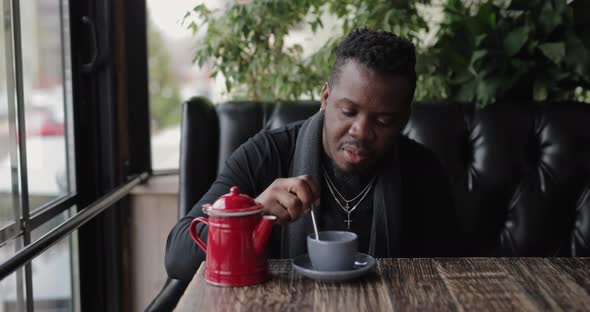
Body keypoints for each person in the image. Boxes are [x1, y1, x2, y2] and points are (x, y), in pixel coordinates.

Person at [165, 28, 459, 281]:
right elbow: (177, 257)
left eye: (383, 121)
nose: (360, 131)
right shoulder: (267, 154)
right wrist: (252, 215)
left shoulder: (423, 171)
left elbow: (450, 274)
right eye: (348, 111)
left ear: (404, 118)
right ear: (326, 98)